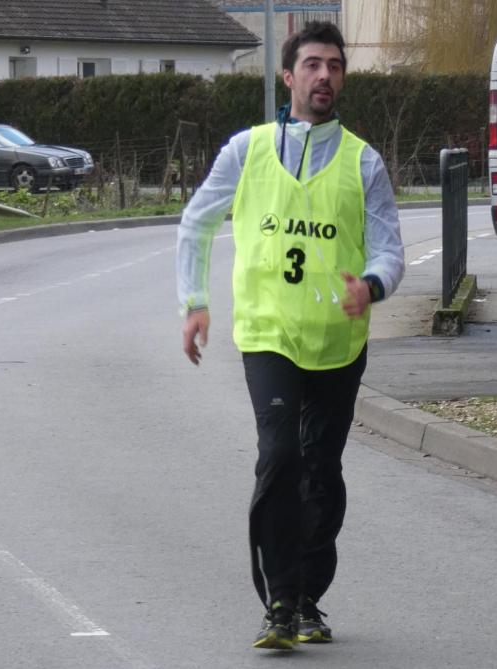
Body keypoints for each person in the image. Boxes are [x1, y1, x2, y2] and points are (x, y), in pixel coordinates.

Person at [175, 21, 404, 650]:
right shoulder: (246, 149)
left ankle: (308, 596)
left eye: (334, 65)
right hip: (268, 333)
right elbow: (196, 222)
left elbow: (390, 250)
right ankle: (279, 601)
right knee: (280, 456)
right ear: (287, 75)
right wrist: (193, 303)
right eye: (312, 65)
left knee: (322, 471)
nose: (324, 75)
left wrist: (373, 287)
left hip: (337, 342)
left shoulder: (365, 161)